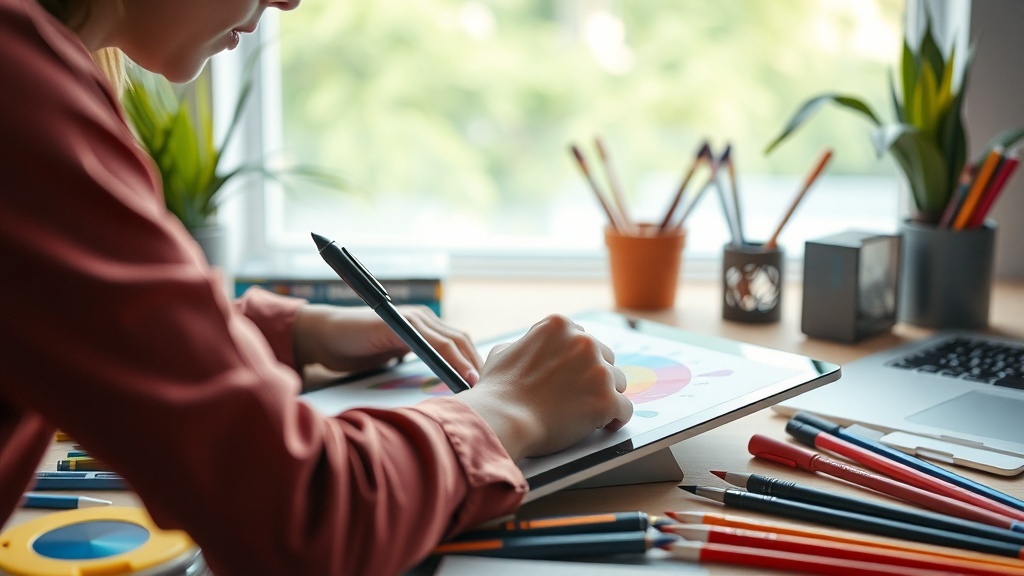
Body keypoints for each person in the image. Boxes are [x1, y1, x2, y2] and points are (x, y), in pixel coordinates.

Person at [0, 0, 634, 574]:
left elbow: (70, 314)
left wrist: (289, 332)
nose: (289, 0)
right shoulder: (21, 95)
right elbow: (296, 519)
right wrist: (509, 408)